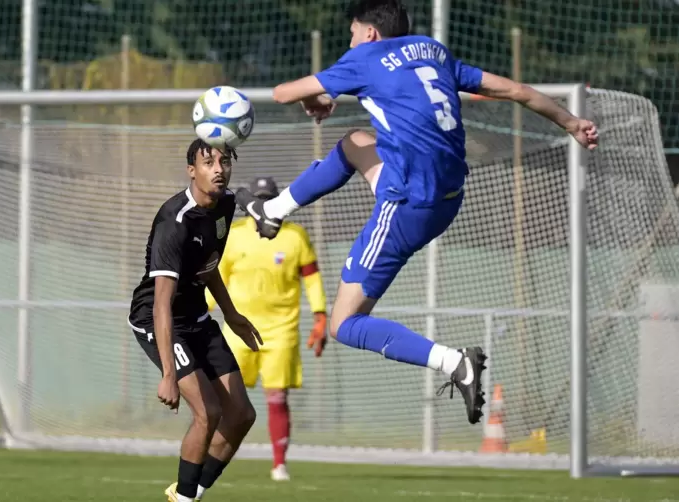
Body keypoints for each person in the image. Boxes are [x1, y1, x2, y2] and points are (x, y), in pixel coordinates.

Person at [234, 0, 599, 425]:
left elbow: (282, 93)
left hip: (408, 205)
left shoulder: (365, 57)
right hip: (448, 197)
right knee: (354, 142)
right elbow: (516, 91)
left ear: (369, 33)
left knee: (344, 324)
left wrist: (314, 98)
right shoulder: (432, 51)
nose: (349, 42)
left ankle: (452, 361)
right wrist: (571, 122)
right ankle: (273, 211)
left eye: (352, 33)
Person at [128, 138, 264, 502]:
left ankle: (187, 493)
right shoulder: (175, 222)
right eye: (208, 162)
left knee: (241, 415)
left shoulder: (225, 205)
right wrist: (169, 374)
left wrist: (232, 314)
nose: (218, 169)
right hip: (159, 319)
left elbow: (207, 268)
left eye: (224, 161)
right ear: (192, 170)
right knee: (209, 412)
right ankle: (185, 499)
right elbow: (160, 304)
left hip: (197, 317)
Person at [206, 176, 328, 482]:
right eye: (256, 201)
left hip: (281, 331)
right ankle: (211, 457)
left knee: (277, 398)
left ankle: (279, 464)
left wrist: (321, 316)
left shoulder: (294, 237)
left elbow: (311, 278)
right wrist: (197, 310)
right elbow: (215, 279)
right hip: (237, 330)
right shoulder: (233, 235)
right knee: (225, 398)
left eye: (267, 200)